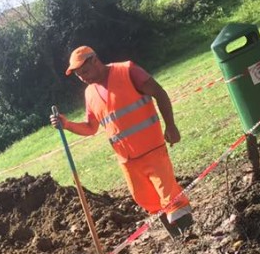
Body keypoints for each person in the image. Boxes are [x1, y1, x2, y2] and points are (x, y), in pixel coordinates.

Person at [51, 46, 194, 238]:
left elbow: (159, 92)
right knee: (148, 201)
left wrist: (171, 126)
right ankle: (178, 238)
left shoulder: (127, 70)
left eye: (84, 71)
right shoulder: (90, 94)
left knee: (170, 197)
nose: (83, 77)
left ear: (94, 60)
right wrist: (67, 124)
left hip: (152, 149)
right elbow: (91, 128)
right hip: (127, 160)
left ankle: (191, 236)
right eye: (78, 75)